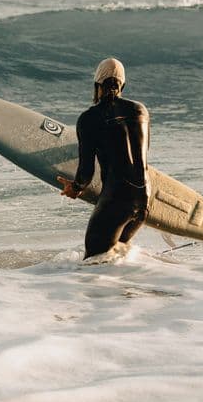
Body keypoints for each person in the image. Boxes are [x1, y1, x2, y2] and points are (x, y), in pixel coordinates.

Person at [57, 57, 150, 259]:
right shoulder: (140, 111)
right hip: (143, 202)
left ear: (97, 85)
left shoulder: (89, 119)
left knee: (93, 264)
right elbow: (142, 157)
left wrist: (75, 188)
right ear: (123, 84)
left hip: (116, 201)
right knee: (118, 257)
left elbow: (86, 173)